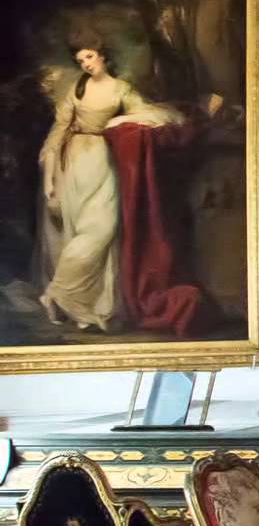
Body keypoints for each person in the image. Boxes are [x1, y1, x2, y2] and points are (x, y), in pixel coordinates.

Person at [37, 35, 181, 330]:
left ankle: (62, 295)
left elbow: (148, 113)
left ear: (103, 56)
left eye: (89, 57)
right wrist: (49, 182)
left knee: (102, 230)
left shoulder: (121, 89)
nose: (86, 64)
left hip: (104, 161)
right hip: (74, 163)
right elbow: (58, 133)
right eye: (80, 61)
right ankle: (73, 303)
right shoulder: (77, 90)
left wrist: (116, 122)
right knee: (80, 231)